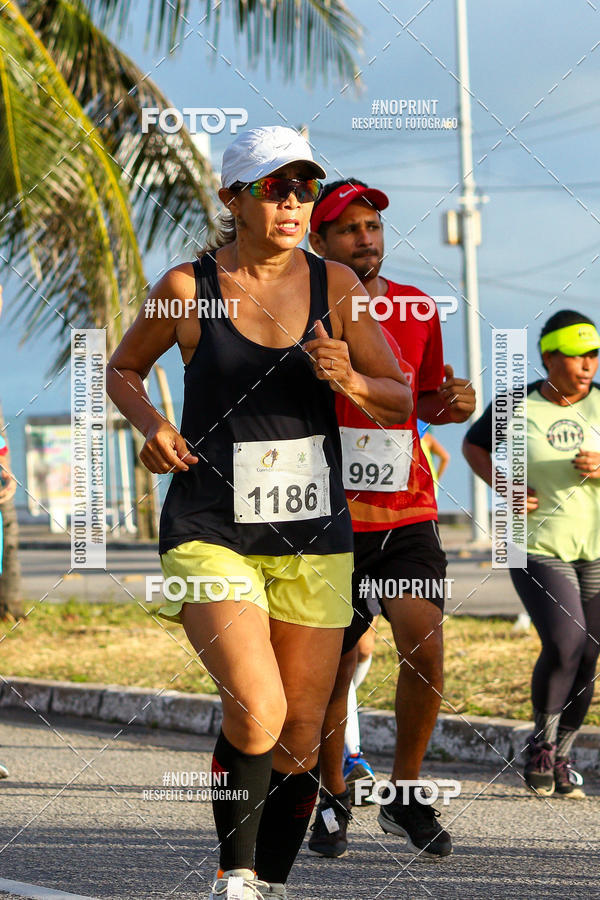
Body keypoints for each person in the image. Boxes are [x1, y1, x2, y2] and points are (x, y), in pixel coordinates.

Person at [107, 128, 412, 899]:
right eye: (274, 188)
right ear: (231, 199)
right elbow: (123, 369)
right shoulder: (187, 286)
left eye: (303, 190)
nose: (291, 204)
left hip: (315, 536)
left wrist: (352, 382)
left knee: (303, 736)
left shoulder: (335, 284)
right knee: (259, 709)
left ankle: (268, 883)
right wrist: (154, 427)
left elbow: (402, 396)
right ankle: (234, 877)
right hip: (212, 527)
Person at [307, 179, 476, 860]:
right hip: (326, 516)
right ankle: (331, 792)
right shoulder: (300, 307)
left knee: (425, 647)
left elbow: (423, 399)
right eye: (348, 230)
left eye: (372, 226)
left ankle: (405, 794)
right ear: (319, 242)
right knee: (334, 664)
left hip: (407, 508)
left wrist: (453, 403)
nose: (365, 239)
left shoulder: (414, 305)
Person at [463, 309, 600, 799]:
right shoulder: (517, 405)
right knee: (565, 642)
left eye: (593, 354)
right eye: (576, 354)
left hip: (597, 548)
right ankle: (539, 746)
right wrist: (505, 484)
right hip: (535, 544)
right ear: (548, 358)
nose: (587, 364)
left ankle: (562, 755)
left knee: (589, 652)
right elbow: (473, 446)